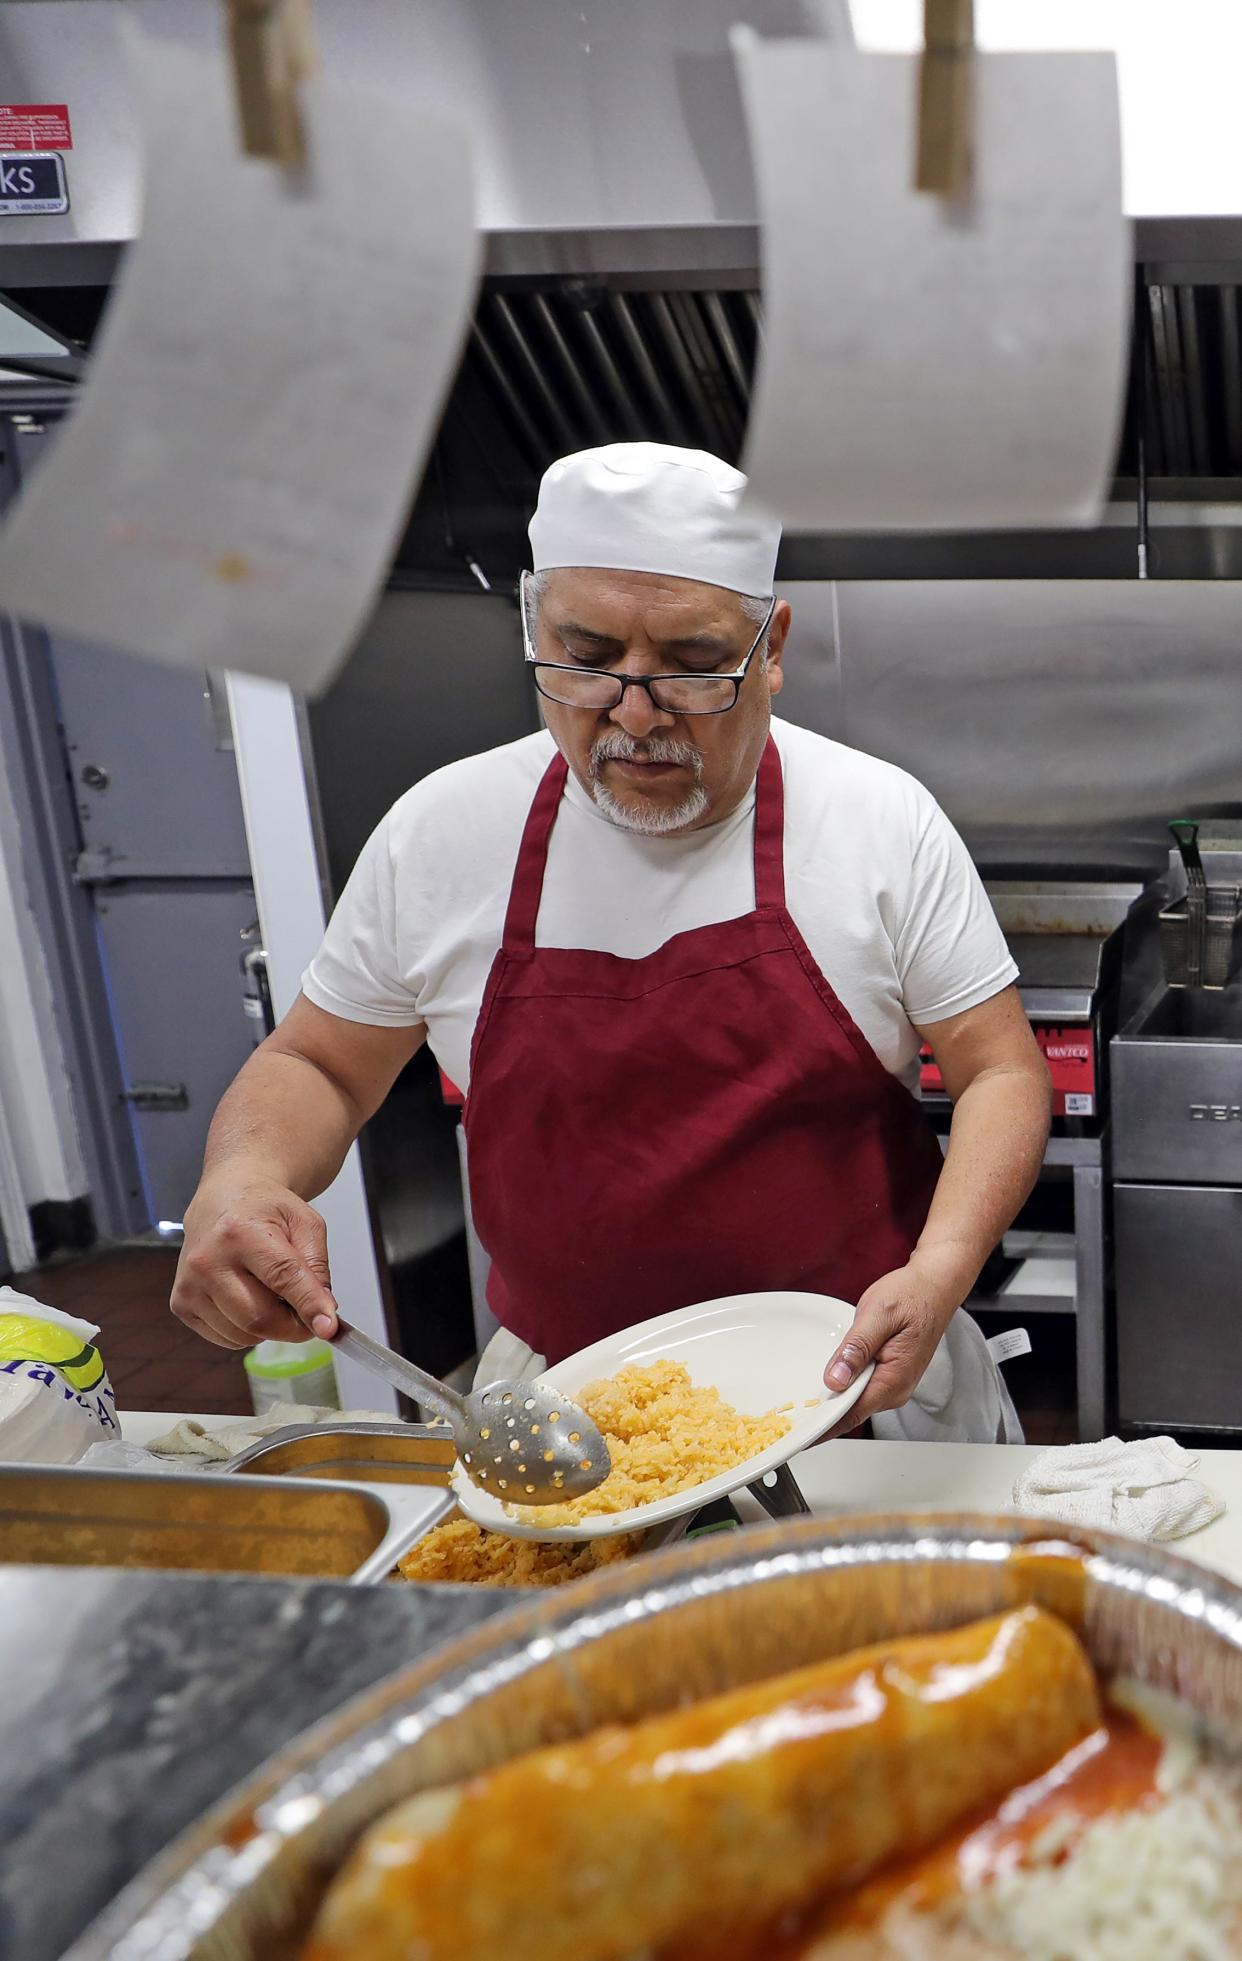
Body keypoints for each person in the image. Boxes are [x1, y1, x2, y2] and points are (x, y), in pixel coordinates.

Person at [172, 443, 1050, 1441]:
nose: (634, 715)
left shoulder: (876, 822)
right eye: (586, 660)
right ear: (530, 626)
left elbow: (1000, 1072)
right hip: (574, 1411)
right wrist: (241, 1179)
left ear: (771, 646)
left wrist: (940, 1270)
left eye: (689, 664)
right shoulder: (444, 833)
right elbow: (319, 1061)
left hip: (858, 1385)